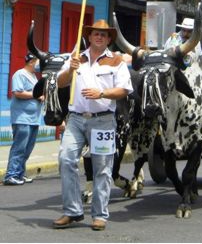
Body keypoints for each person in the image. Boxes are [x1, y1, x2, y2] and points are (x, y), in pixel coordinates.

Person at [53, 19, 133, 231]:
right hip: (76, 118)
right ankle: (72, 211)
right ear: (89, 36)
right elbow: (60, 83)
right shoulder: (76, 58)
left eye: (104, 34)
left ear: (108, 39)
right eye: (96, 33)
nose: (99, 37)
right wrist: (70, 70)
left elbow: (124, 90)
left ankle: (99, 215)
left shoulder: (117, 61)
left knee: (102, 168)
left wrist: (102, 93)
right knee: (66, 159)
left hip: (103, 120)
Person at [3, 53, 43, 185]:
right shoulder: (20, 74)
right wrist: (36, 95)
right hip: (22, 118)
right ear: (31, 62)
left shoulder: (33, 77)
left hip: (33, 118)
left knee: (27, 148)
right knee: (19, 147)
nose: (39, 65)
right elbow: (18, 92)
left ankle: (20, 173)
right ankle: (11, 175)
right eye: (37, 62)